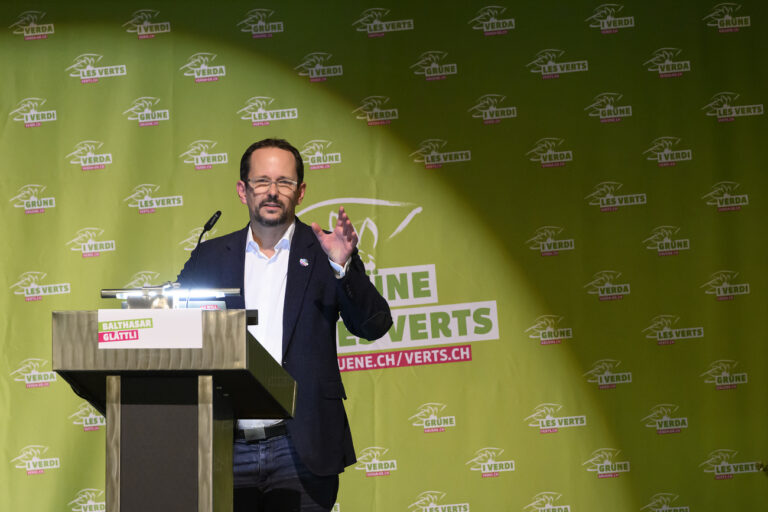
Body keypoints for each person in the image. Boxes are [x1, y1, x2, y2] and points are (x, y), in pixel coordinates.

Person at [177, 138, 392, 511]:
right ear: (243, 190)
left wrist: (344, 267)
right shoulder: (209, 256)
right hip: (226, 445)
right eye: (261, 181)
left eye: (284, 182)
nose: (272, 192)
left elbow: (374, 325)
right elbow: (174, 332)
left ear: (301, 191)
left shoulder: (325, 249)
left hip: (302, 445)